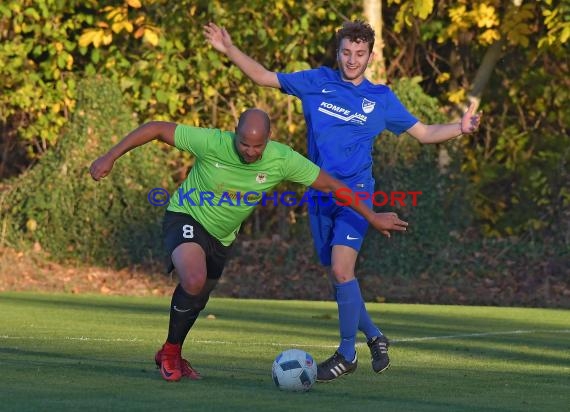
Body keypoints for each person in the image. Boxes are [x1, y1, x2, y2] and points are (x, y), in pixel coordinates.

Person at [204, 20, 482, 382]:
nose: (352, 60)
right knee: (339, 278)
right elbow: (262, 76)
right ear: (338, 53)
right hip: (319, 192)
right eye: (346, 52)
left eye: (360, 54)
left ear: (370, 56)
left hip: (357, 194)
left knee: (341, 270)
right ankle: (376, 336)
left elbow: (425, 133)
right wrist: (229, 49)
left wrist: (459, 128)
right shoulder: (316, 81)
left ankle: (346, 354)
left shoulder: (380, 99)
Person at [89, 108, 409, 382]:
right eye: (244, 143)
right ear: (235, 134)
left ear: (268, 139)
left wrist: (371, 215)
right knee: (194, 278)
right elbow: (156, 128)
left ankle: (170, 351)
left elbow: (332, 184)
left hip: (223, 237)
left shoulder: (281, 159)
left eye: (257, 146)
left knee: (199, 297)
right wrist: (110, 156)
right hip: (185, 216)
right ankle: (171, 353)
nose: (250, 152)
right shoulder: (213, 141)